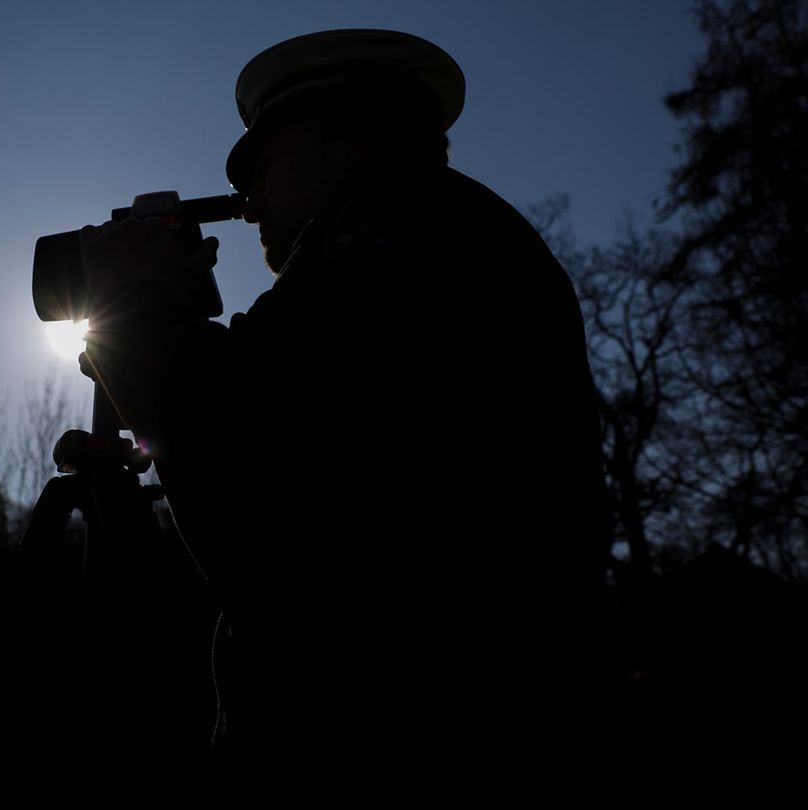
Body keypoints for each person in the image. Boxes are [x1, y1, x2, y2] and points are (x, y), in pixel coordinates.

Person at [79, 30, 610, 781]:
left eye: (259, 164)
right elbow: (326, 483)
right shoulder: (446, 240)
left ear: (347, 139)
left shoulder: (401, 231)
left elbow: (257, 489)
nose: (248, 199)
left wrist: (133, 307)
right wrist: (179, 328)